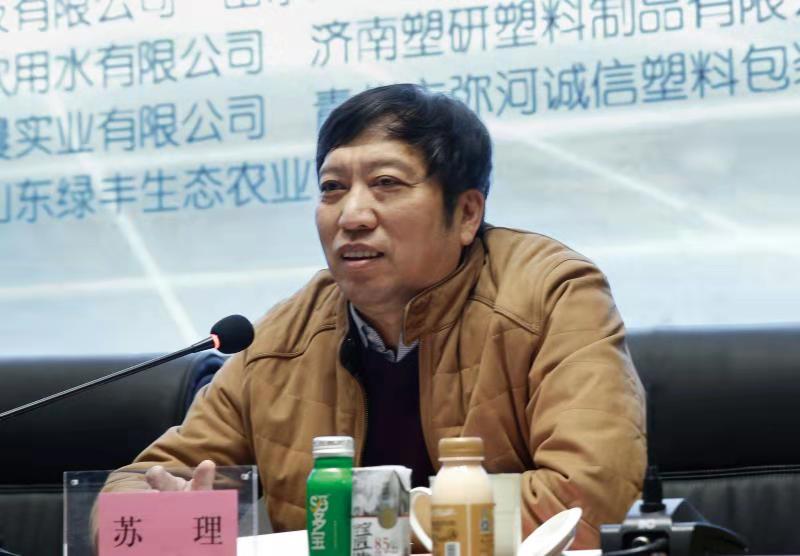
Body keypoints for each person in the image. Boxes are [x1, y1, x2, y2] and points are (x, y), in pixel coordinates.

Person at [106, 83, 646, 548]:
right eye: (332, 188)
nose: (352, 215)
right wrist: (171, 523)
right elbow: (130, 493)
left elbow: (585, 497)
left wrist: (367, 531)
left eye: (386, 183)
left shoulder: (552, 295)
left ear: (466, 213)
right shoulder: (281, 339)